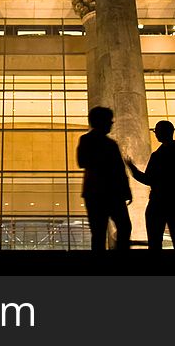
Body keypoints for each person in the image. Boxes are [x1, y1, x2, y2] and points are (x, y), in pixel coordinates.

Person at [127, 120, 175, 250]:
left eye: (156, 131)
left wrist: (133, 170)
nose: (155, 134)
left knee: (155, 240)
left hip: (159, 201)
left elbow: (147, 179)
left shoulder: (157, 155)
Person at [77, 106, 132, 250]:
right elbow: (83, 161)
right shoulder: (102, 143)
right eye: (109, 120)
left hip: (98, 193)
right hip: (106, 193)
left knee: (101, 232)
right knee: (108, 229)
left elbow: (119, 169)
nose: (111, 123)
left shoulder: (95, 141)